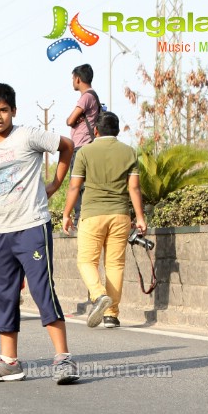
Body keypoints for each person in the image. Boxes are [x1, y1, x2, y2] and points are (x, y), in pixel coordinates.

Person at [0, 83, 80, 385]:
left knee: (42, 290)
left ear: (13, 111)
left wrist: (55, 185)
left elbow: (67, 146)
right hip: (2, 232)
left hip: (33, 225)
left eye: (3, 110)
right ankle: (9, 361)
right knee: (1, 293)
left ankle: (64, 359)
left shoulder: (28, 135)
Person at [61, 111, 147, 329]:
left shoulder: (85, 152)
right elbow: (134, 188)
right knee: (115, 264)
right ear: (117, 131)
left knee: (86, 261)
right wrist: (140, 217)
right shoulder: (129, 152)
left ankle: (99, 296)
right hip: (120, 214)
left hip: (92, 215)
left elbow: (74, 186)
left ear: (95, 130)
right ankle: (111, 314)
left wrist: (66, 213)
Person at [66, 64, 102, 223]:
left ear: (78, 79)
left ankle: (79, 218)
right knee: (82, 183)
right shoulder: (92, 96)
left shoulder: (86, 97)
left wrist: (73, 119)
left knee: (77, 182)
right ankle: (83, 216)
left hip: (81, 145)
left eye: (73, 78)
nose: (73, 81)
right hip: (87, 145)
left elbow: (70, 120)